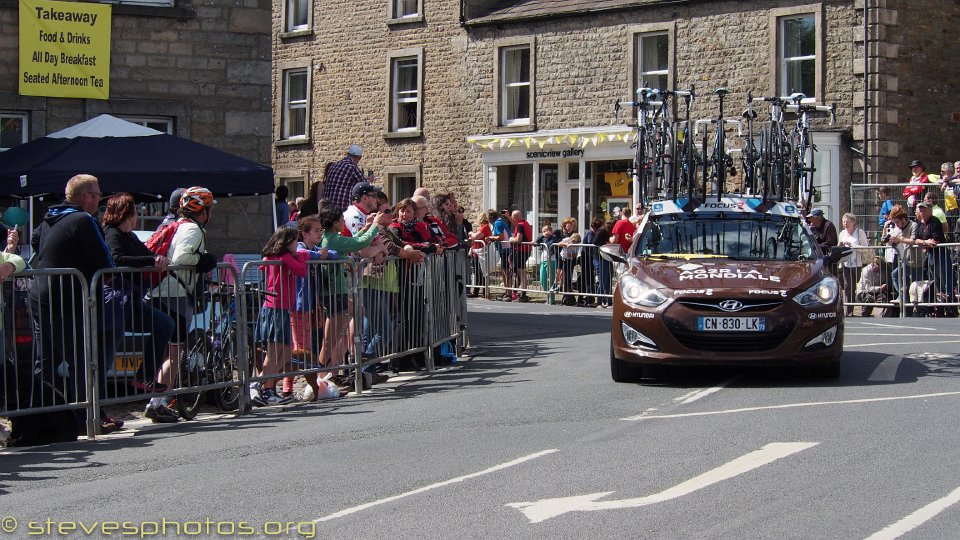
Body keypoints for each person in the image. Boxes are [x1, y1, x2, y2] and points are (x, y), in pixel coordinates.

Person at [29, 173, 123, 435]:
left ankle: (42, 417)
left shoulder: (50, 217)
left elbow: (36, 242)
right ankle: (89, 416)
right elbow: (105, 262)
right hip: (67, 295)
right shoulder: (83, 220)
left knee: (44, 360)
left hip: (41, 292)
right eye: (98, 195)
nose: (100, 200)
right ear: (87, 197)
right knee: (82, 359)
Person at [101, 194, 178, 422]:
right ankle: (96, 411)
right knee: (104, 357)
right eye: (134, 212)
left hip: (131, 301)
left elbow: (147, 253)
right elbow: (116, 259)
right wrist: (149, 262)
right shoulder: (112, 234)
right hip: (115, 302)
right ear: (127, 213)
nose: (136, 217)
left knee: (165, 323)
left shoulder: (129, 235)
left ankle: (144, 375)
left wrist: (157, 258)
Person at [148, 186, 219, 410]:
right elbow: (182, 257)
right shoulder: (193, 230)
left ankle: (158, 399)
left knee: (168, 350)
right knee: (175, 351)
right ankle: (158, 401)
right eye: (210, 208)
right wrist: (204, 259)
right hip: (175, 294)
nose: (212, 213)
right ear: (203, 210)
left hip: (164, 291)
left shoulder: (177, 225)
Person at [317, 201, 390, 381]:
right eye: (341, 219)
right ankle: (319, 377)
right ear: (334, 222)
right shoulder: (332, 238)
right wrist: (375, 226)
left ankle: (332, 374)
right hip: (334, 292)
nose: (344, 221)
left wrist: (366, 228)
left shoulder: (333, 237)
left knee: (341, 331)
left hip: (339, 291)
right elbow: (359, 243)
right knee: (330, 339)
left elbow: (353, 241)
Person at [250, 226, 320, 406]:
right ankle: (261, 386)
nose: (297, 244)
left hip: (278, 307)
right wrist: (302, 256)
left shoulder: (273, 256)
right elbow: (301, 271)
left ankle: (267, 387)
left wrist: (299, 256)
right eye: (295, 241)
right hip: (276, 307)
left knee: (286, 351)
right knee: (274, 353)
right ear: (287, 242)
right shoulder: (284, 257)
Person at [912, 201, 953, 316]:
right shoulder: (920, 223)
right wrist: (925, 242)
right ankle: (938, 307)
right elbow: (916, 239)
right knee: (934, 281)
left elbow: (935, 241)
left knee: (944, 279)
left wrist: (925, 243)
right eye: (920, 210)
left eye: (924, 210)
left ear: (930, 211)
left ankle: (949, 306)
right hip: (929, 255)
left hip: (940, 254)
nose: (922, 212)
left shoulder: (934, 221)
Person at [884, 205, 923, 312]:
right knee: (895, 275)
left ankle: (918, 310)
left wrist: (900, 239)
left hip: (916, 260)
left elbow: (913, 240)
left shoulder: (913, 225)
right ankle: (902, 295)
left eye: (897, 222)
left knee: (916, 287)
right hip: (905, 261)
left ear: (904, 220)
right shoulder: (899, 229)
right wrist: (892, 241)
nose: (896, 225)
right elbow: (897, 242)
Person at [837, 212, 869, 316]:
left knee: (861, 287)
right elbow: (838, 248)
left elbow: (865, 248)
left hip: (859, 264)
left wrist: (853, 245)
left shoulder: (859, 232)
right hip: (847, 265)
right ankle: (849, 311)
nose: (845, 224)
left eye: (848, 222)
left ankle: (864, 310)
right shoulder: (842, 233)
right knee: (848, 288)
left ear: (853, 223)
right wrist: (840, 245)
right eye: (844, 222)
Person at [322, 144, 367, 211]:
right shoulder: (352, 167)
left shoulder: (333, 165)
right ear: (359, 158)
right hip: (342, 209)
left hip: (327, 208)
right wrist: (369, 180)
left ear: (348, 154)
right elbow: (365, 186)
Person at [507, 210, 533, 302]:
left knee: (521, 273)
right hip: (525, 250)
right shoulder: (525, 223)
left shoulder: (520, 225)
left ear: (516, 217)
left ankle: (522, 294)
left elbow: (518, 239)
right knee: (521, 272)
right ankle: (520, 293)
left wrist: (510, 239)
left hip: (520, 251)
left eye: (513, 217)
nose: (513, 219)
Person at [487, 210, 513, 300]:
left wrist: (490, 238)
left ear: (491, 217)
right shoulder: (500, 222)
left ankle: (509, 293)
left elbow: (500, 237)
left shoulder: (497, 223)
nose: (487, 219)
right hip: (505, 249)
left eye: (488, 217)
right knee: (504, 271)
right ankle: (507, 292)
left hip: (506, 249)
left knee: (506, 272)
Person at [467, 210, 493, 296]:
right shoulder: (485, 227)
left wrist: (471, 233)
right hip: (478, 252)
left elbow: (476, 236)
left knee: (479, 272)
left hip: (480, 252)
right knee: (479, 272)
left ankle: (478, 291)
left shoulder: (484, 227)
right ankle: (480, 290)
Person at [593, 219, 616, 308]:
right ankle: (600, 301)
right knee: (603, 280)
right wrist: (605, 243)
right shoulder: (603, 231)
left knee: (607, 280)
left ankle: (608, 301)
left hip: (606, 257)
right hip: (601, 257)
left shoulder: (605, 232)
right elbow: (595, 242)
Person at [535, 224, 559, 296]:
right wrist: (543, 236)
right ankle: (547, 293)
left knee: (551, 280)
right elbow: (536, 243)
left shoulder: (554, 237)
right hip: (543, 260)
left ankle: (551, 298)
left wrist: (545, 239)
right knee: (542, 279)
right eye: (544, 231)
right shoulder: (543, 237)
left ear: (551, 231)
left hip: (552, 260)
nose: (546, 232)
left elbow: (549, 244)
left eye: (547, 231)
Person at [940, 162, 959, 240]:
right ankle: (952, 249)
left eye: (944, 171)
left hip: (956, 208)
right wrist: (944, 182)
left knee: (956, 230)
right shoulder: (944, 179)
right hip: (948, 209)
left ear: (950, 171)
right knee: (950, 230)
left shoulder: (955, 179)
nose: (942, 173)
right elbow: (941, 189)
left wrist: (949, 181)